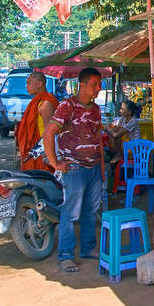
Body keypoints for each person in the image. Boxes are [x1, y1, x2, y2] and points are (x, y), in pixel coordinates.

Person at [44, 67, 108, 273]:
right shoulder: (67, 106)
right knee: (71, 214)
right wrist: (55, 163)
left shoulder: (96, 109)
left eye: (100, 84)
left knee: (91, 211)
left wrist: (102, 168)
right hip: (74, 170)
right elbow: (49, 133)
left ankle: (88, 248)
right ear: (82, 85)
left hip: (94, 169)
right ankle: (66, 255)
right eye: (94, 84)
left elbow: (98, 137)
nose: (98, 88)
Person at [17, 71, 58, 170]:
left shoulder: (46, 103)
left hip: (42, 153)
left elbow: (51, 133)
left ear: (40, 84)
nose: (27, 86)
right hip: (34, 152)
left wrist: (49, 155)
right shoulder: (37, 102)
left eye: (29, 83)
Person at [106, 100, 142, 195]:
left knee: (119, 135)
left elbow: (115, 135)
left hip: (133, 150)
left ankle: (119, 155)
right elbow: (115, 129)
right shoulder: (121, 120)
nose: (120, 111)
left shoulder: (133, 121)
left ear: (129, 112)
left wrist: (106, 128)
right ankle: (117, 154)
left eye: (122, 109)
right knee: (116, 131)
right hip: (124, 148)